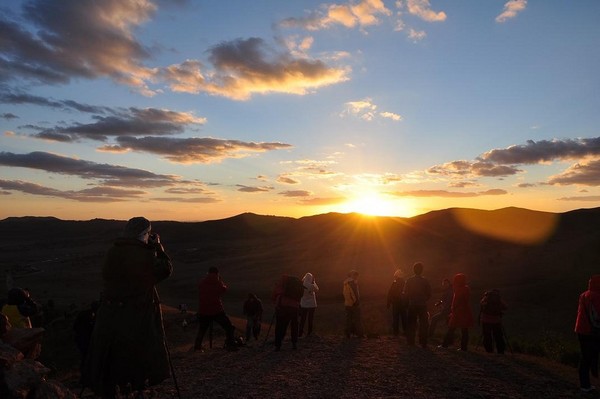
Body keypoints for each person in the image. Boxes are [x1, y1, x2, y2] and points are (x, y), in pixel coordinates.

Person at [81, 216, 173, 397]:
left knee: (112, 353)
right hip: (136, 314)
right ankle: (136, 386)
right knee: (137, 351)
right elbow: (166, 269)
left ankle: (112, 386)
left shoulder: (113, 251)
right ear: (144, 234)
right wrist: (157, 247)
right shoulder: (144, 254)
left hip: (109, 313)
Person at [194, 267, 237, 351]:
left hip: (204, 310)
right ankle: (231, 344)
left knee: (202, 329)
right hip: (216, 309)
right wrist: (220, 281)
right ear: (217, 273)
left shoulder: (203, 282)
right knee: (228, 327)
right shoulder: (217, 282)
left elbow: (199, 288)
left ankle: (197, 346)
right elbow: (224, 289)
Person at [574, 274, 600, 393]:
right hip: (592, 331)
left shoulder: (584, 295)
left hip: (580, 329)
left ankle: (586, 383)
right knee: (588, 357)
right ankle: (586, 385)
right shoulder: (597, 296)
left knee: (585, 356)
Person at [440, 273, 474, 351]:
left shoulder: (458, 290)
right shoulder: (467, 289)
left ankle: (445, 345)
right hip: (465, 311)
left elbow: (456, 302)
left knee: (451, 328)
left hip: (458, 311)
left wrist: (453, 310)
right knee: (464, 330)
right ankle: (463, 347)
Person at [403, 262, 431, 347]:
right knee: (423, 324)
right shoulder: (425, 281)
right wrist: (424, 299)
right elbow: (429, 294)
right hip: (422, 304)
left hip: (412, 304)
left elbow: (405, 293)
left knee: (411, 323)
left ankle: (411, 341)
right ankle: (423, 342)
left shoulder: (409, 280)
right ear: (422, 270)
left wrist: (406, 303)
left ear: (413, 270)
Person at [272, 275, 302, 350]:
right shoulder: (296, 285)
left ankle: (278, 345)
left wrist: (276, 306)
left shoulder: (282, 284)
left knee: (280, 326)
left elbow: (276, 296)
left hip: (283, 307)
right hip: (294, 307)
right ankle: (294, 343)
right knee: (294, 326)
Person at [73, 300, 99, 371]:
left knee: (85, 354)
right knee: (86, 354)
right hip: (85, 338)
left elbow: (75, 326)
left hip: (81, 337)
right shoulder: (94, 316)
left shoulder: (83, 313)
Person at [479, 289, 507, 354]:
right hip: (496, 320)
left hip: (486, 320)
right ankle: (500, 350)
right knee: (498, 336)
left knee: (487, 335)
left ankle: (489, 350)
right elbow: (505, 307)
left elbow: (481, 304)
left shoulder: (486, 298)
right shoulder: (498, 299)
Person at [343, 270, 364, 338]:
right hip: (354, 304)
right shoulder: (352, 283)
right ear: (353, 276)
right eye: (356, 276)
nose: (357, 277)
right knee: (357, 319)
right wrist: (356, 302)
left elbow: (345, 294)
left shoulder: (345, 283)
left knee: (348, 319)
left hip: (347, 304)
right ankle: (359, 334)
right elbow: (355, 294)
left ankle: (348, 334)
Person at [386, 269, 407, 337]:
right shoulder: (404, 282)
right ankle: (405, 332)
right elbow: (407, 293)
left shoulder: (394, 282)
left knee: (395, 318)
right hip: (403, 303)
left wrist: (388, 302)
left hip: (395, 303)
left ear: (396, 276)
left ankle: (396, 333)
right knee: (404, 317)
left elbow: (390, 292)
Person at [299, 272, 319, 337]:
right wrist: (314, 282)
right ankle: (309, 332)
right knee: (310, 319)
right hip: (311, 304)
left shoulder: (301, 284)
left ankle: (300, 332)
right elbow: (317, 289)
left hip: (303, 304)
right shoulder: (311, 285)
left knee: (303, 319)